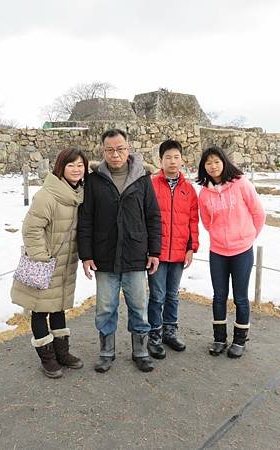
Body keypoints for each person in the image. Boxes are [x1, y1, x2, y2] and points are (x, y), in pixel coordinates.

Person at [78, 128, 161, 373]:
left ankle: (141, 350)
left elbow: (153, 217)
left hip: (136, 254)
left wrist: (154, 251)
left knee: (138, 305)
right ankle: (106, 351)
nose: (116, 154)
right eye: (110, 150)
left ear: (129, 149)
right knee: (105, 307)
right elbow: (86, 220)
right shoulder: (94, 180)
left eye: (120, 149)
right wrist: (86, 255)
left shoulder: (142, 179)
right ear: (103, 151)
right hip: (104, 256)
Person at [11, 148, 88, 378]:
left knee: (58, 306)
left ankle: (62, 353)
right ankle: (47, 358)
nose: (76, 169)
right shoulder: (47, 196)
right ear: (61, 168)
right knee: (39, 309)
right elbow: (31, 228)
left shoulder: (79, 195)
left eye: (80, 165)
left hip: (66, 264)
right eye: (71, 165)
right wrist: (42, 257)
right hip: (46, 263)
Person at [196, 146, 265, 358]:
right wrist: (220, 237)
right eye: (208, 163)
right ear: (204, 167)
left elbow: (258, 213)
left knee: (241, 297)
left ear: (224, 162)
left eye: (216, 161)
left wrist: (246, 237)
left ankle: (240, 340)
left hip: (242, 251)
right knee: (219, 296)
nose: (213, 166)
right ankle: (219, 338)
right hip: (218, 251)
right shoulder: (204, 193)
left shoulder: (241, 184)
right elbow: (207, 222)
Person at [147, 139, 199, 359]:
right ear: (161, 160)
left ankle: (170, 331)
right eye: (168, 157)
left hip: (179, 252)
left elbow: (193, 221)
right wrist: (149, 250)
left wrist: (191, 248)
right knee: (157, 295)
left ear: (182, 159)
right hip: (157, 253)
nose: (172, 161)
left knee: (172, 295)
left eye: (176, 157)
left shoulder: (189, 190)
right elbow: (145, 218)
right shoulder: (150, 184)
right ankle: (154, 335)